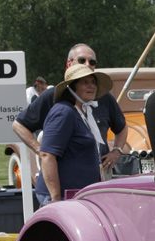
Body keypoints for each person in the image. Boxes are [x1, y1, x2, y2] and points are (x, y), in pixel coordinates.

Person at [12, 43, 129, 182]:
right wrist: (42, 152)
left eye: (92, 62)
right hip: (64, 177)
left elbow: (121, 127)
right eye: (81, 60)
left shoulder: (104, 97)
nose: (87, 64)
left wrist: (116, 151)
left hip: (101, 173)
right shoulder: (52, 96)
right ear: (69, 63)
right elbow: (18, 125)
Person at [37, 65, 114, 204]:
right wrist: (55, 199)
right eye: (85, 82)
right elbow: (47, 155)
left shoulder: (82, 112)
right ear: (72, 87)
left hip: (78, 196)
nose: (91, 86)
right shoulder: (63, 112)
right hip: (64, 198)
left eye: (93, 82)